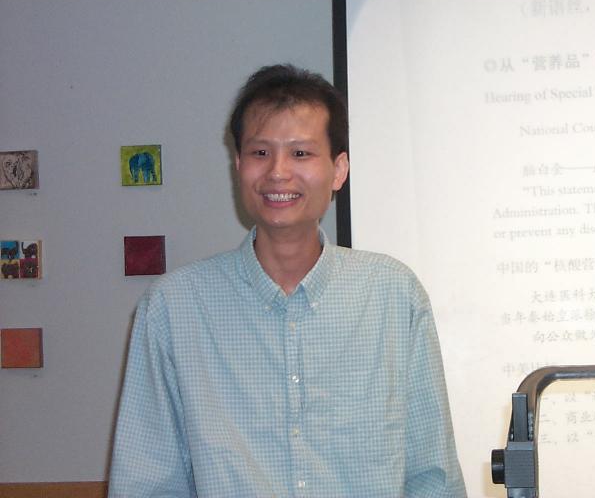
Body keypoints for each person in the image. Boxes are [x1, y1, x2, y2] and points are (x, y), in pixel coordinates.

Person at [108, 64, 466, 497]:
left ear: (338, 169)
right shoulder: (174, 307)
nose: (278, 172)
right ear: (238, 165)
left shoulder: (393, 294)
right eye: (260, 152)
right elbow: (147, 485)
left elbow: (432, 478)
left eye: (300, 153)